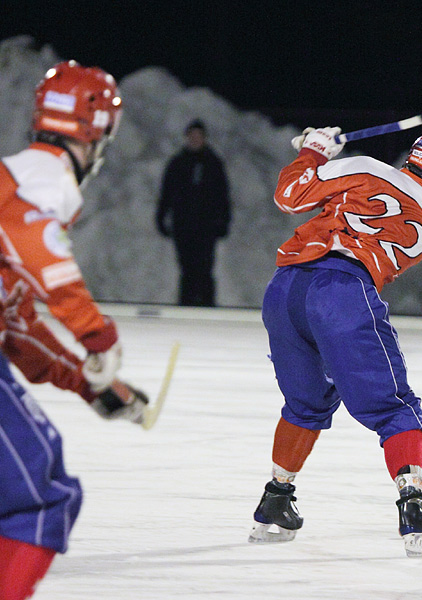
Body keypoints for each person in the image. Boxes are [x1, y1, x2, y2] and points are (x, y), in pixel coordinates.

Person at [249, 127, 422, 557]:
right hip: (344, 291)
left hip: (285, 289)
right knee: (393, 405)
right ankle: (413, 508)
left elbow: (290, 196)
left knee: (305, 403)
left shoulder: (367, 168)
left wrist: (314, 153)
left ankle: (276, 498)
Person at [0, 60, 148, 600]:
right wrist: (96, 334)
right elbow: (38, 247)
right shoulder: (44, 181)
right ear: (97, 132)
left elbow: (19, 331)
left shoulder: (12, 178)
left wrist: (88, 384)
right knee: (41, 498)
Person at [155, 119, 231, 307]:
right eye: (192, 136)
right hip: (183, 225)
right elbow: (166, 193)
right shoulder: (178, 163)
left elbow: (223, 195)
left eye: (199, 136)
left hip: (207, 226)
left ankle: (207, 304)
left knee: (205, 266)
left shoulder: (213, 163)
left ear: (204, 138)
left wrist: (224, 221)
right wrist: (161, 218)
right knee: (187, 267)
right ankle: (186, 304)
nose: (195, 139)